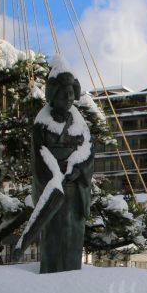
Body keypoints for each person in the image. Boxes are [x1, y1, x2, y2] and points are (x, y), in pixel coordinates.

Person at [22, 66, 94, 272]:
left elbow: (88, 149)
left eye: (71, 94)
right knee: (53, 232)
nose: (69, 99)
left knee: (73, 231)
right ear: (53, 95)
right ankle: (51, 274)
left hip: (75, 187)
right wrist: (55, 175)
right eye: (64, 95)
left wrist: (79, 169)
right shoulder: (42, 123)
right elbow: (40, 156)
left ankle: (72, 272)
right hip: (54, 187)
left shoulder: (79, 122)